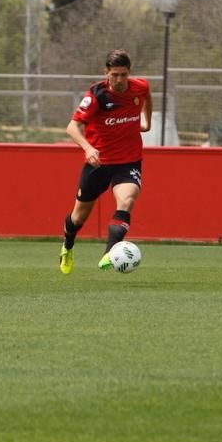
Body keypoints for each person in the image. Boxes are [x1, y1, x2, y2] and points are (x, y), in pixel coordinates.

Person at [58, 48, 152, 275]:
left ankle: (109, 253)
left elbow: (147, 97)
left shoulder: (140, 86)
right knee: (78, 216)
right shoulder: (96, 96)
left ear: (129, 72)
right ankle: (68, 245)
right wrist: (88, 147)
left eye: (124, 74)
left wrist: (146, 122)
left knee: (127, 200)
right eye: (115, 75)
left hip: (128, 161)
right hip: (98, 163)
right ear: (106, 73)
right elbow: (72, 127)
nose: (120, 80)